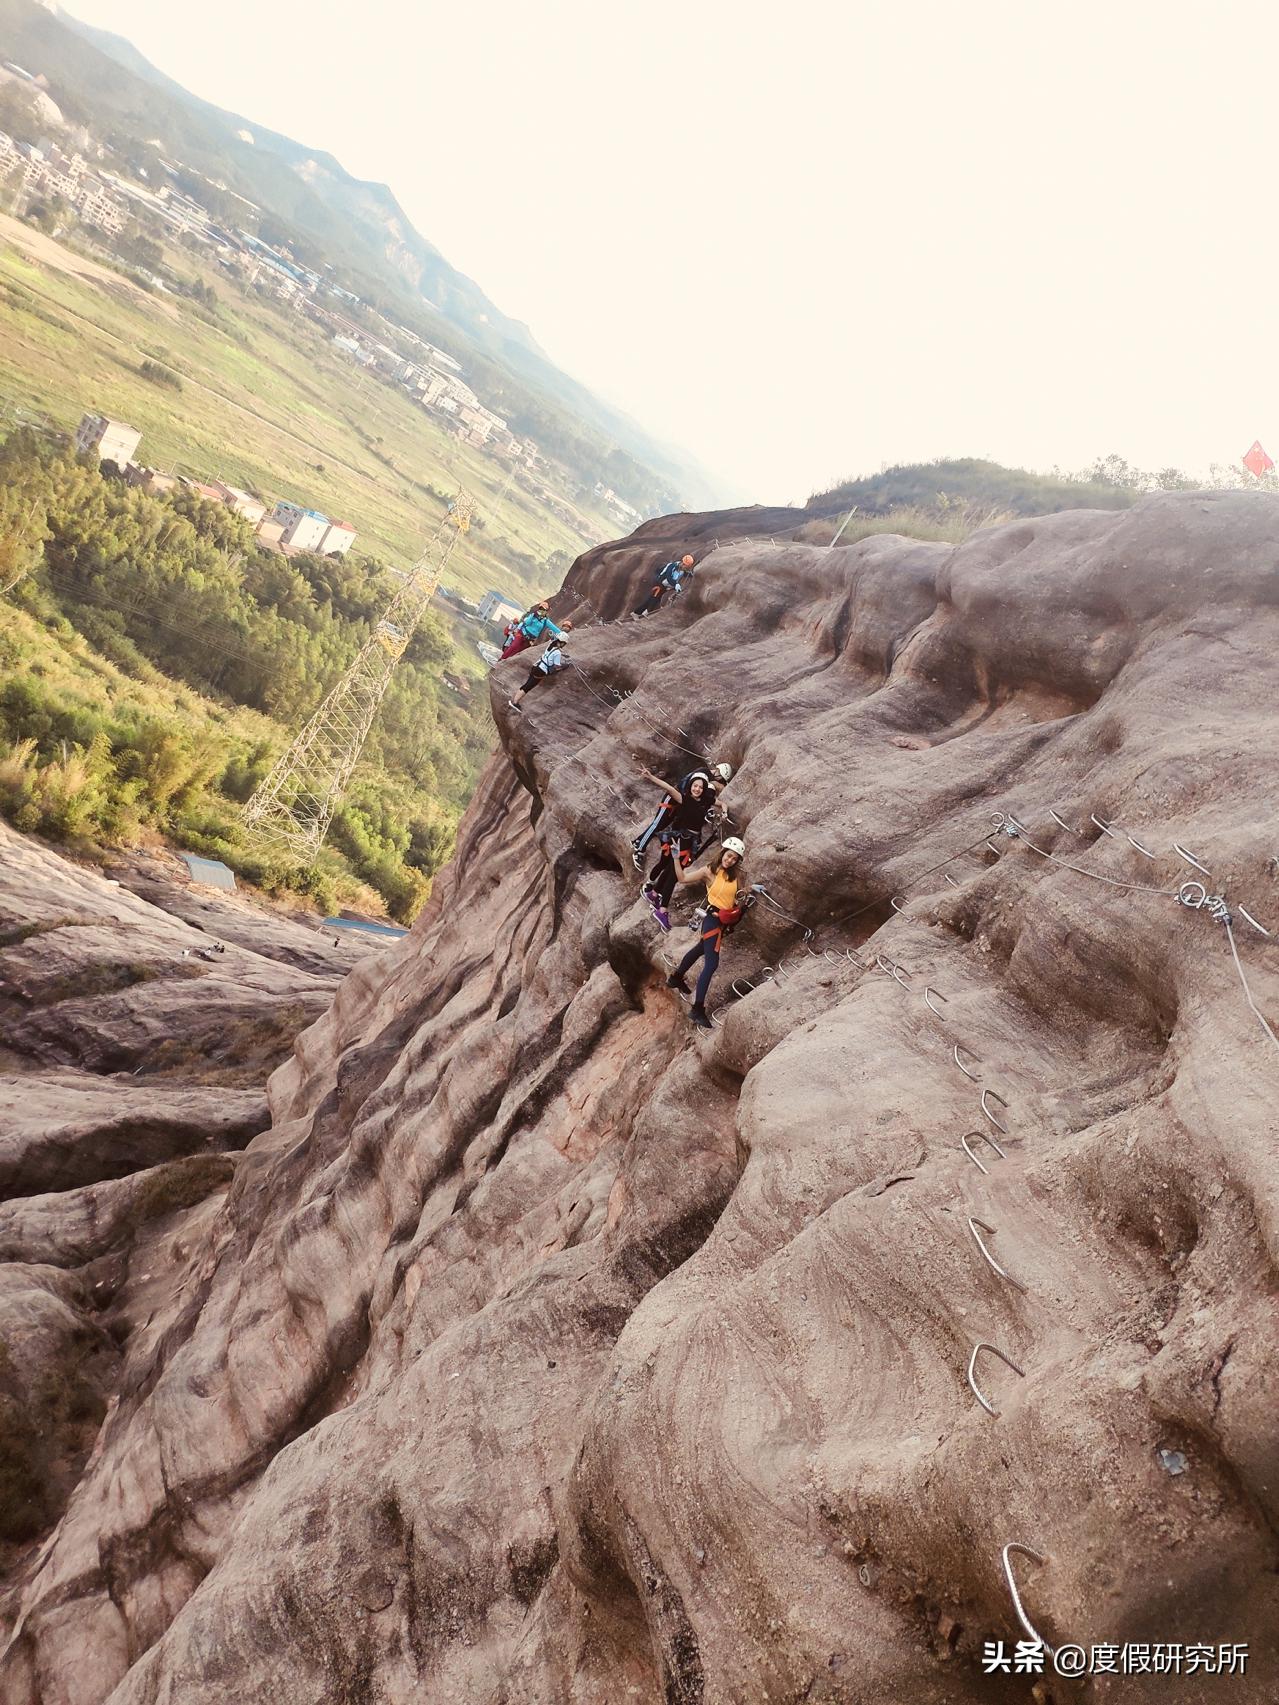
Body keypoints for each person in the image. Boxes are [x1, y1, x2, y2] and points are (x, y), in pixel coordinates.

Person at [664, 838, 754, 1029]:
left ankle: (676, 978)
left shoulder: (734, 875)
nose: (730, 860)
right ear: (723, 852)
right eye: (729, 856)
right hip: (712, 919)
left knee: (699, 949)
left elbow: (735, 895)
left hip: (723, 920)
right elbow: (682, 878)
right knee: (712, 964)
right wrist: (675, 858)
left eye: (734, 859)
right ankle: (697, 1009)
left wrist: (751, 890)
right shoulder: (708, 871)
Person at [638, 767, 720, 928]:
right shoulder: (685, 799)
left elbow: (719, 802)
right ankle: (662, 910)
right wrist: (650, 777)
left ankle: (654, 894)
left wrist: (724, 809)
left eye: (700, 787)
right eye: (695, 786)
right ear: (690, 786)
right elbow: (669, 788)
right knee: (674, 875)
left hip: (688, 842)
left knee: (670, 870)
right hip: (681, 841)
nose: (697, 789)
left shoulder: (704, 802)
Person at [632, 762, 732, 870]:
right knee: (657, 824)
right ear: (719, 773)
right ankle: (640, 849)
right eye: (721, 780)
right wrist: (651, 777)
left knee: (661, 825)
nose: (719, 782)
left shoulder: (704, 776)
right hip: (672, 798)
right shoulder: (705, 773)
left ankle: (638, 840)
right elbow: (672, 789)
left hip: (679, 802)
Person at [507, 638, 569, 711]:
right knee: (528, 686)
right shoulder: (558, 653)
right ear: (562, 642)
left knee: (527, 684)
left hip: (536, 665)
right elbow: (556, 666)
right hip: (541, 671)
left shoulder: (551, 645)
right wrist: (564, 666)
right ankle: (515, 703)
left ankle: (515, 700)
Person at [631, 554, 695, 619]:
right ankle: (637, 613)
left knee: (655, 599)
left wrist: (692, 574)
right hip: (659, 583)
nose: (686, 569)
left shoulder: (682, 570)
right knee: (653, 598)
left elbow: (686, 574)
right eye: (686, 567)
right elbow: (669, 577)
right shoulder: (672, 566)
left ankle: (644, 613)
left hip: (665, 585)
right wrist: (675, 584)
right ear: (683, 563)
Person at [500, 603, 571, 660]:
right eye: (541, 609)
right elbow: (526, 622)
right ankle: (502, 658)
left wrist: (562, 633)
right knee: (513, 646)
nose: (542, 611)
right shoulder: (533, 615)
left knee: (518, 651)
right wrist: (533, 616)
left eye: (544, 610)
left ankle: (507, 661)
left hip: (530, 639)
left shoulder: (545, 620)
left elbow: (553, 627)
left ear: (546, 611)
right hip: (522, 633)